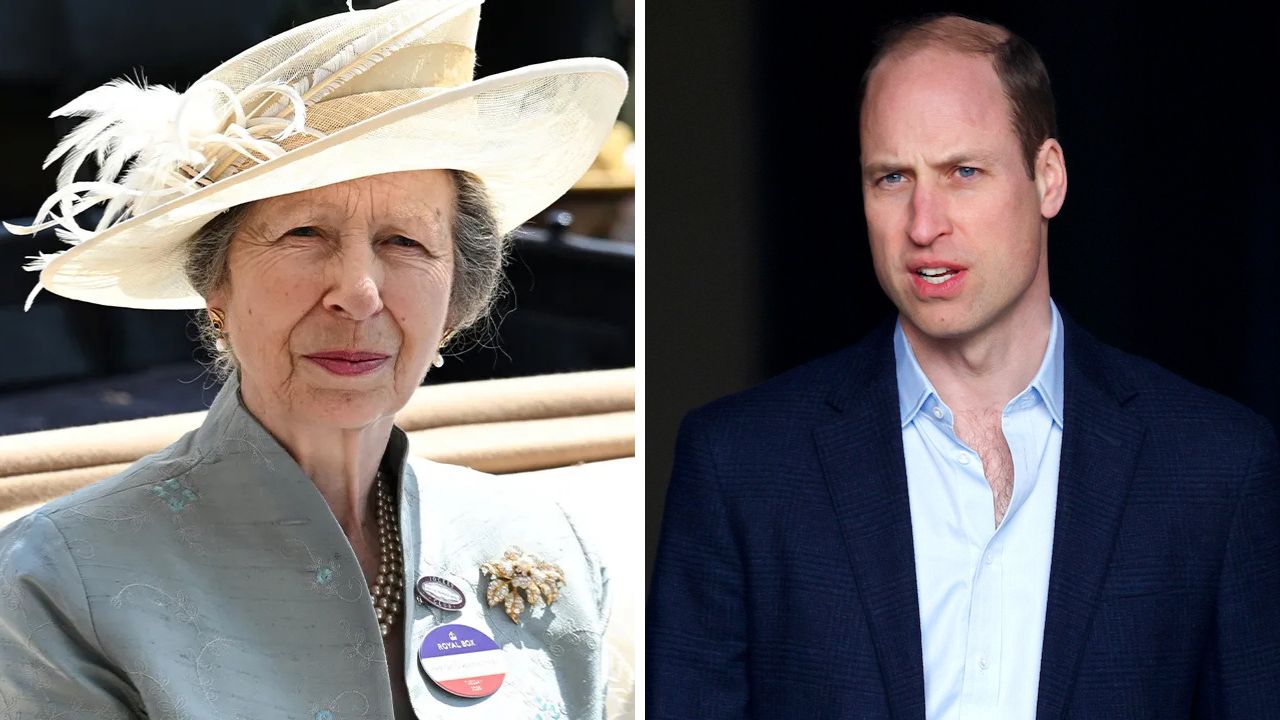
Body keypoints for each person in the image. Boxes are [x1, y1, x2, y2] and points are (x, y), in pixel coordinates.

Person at [0, 0, 627, 717]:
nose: (359, 294)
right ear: (216, 288)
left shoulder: (551, 542)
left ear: (456, 299)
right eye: (303, 234)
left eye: (405, 243)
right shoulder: (58, 577)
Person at [647, 13, 1280, 719]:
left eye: (963, 172)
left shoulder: (1216, 467)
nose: (923, 224)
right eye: (892, 178)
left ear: (1048, 178)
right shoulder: (740, 465)